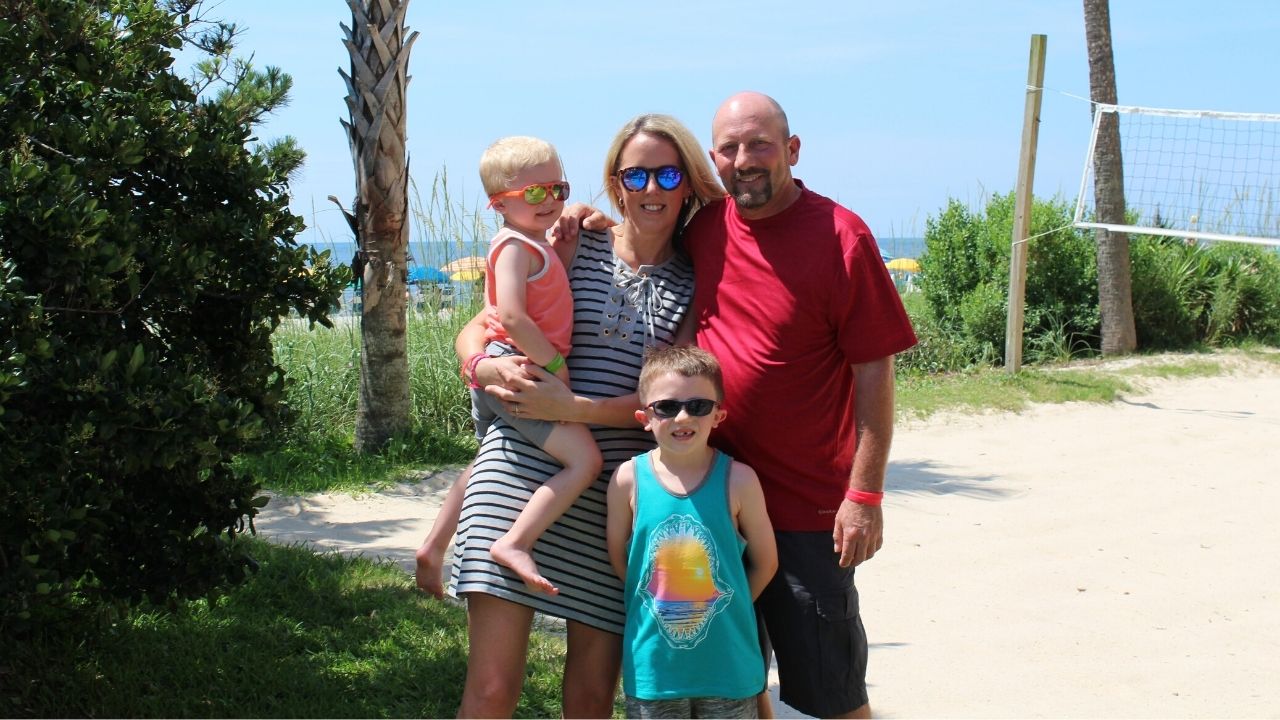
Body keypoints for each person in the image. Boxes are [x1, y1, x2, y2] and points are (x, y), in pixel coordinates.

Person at [415, 114, 724, 718]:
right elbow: (483, 324)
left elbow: (669, 407)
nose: (652, 189)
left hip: (615, 503)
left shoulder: (695, 281)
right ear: (616, 181)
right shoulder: (569, 243)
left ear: (688, 182)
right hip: (515, 477)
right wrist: (483, 367)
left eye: (668, 173)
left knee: (590, 700)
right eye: (637, 174)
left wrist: (574, 407)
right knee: (491, 691)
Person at [682, 91, 918, 719]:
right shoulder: (705, 228)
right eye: (729, 148)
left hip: (806, 512)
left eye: (759, 144)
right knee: (736, 684)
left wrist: (864, 495)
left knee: (830, 695)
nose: (744, 159)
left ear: (791, 149)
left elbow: (875, 372)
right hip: (710, 504)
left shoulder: (842, 236)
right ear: (714, 159)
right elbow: (636, 243)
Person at [448, 135, 601, 594]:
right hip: (520, 369)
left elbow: (545, 294)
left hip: (512, 365)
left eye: (558, 188)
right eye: (534, 193)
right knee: (586, 461)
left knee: (482, 457)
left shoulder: (533, 243)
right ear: (498, 204)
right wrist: (554, 363)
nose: (550, 200)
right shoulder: (513, 246)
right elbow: (512, 315)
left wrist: (565, 254)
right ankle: (515, 541)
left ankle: (435, 545)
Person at [606, 346, 777, 719]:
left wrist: (728, 607)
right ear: (645, 417)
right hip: (655, 668)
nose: (683, 416)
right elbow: (624, 561)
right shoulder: (626, 481)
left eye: (698, 406)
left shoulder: (740, 480)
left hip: (728, 667)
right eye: (667, 407)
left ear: (719, 414)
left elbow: (766, 563)